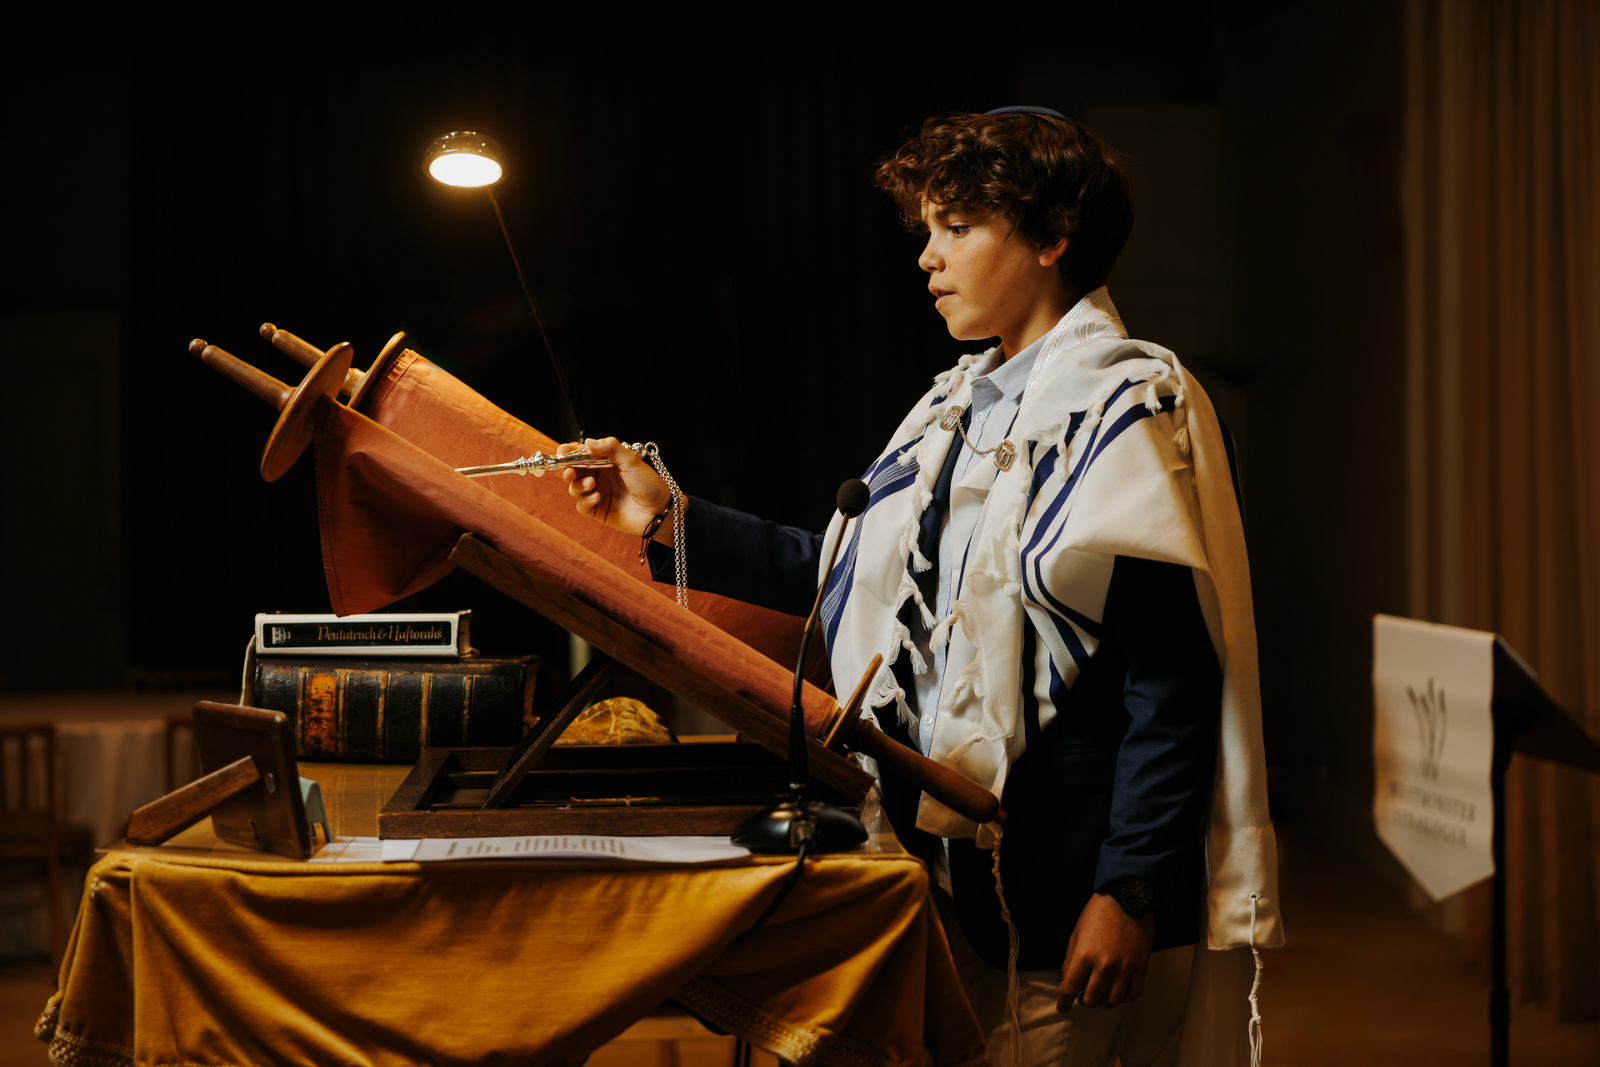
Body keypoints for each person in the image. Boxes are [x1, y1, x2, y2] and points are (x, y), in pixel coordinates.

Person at [562, 107, 1281, 1067]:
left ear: (1052, 238)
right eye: (929, 230)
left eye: (958, 227)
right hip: (946, 876)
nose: (927, 259)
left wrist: (1132, 890)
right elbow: (857, 570)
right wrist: (666, 518)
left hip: (1071, 888)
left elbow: (1174, 680)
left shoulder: (1128, 408)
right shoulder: (952, 405)